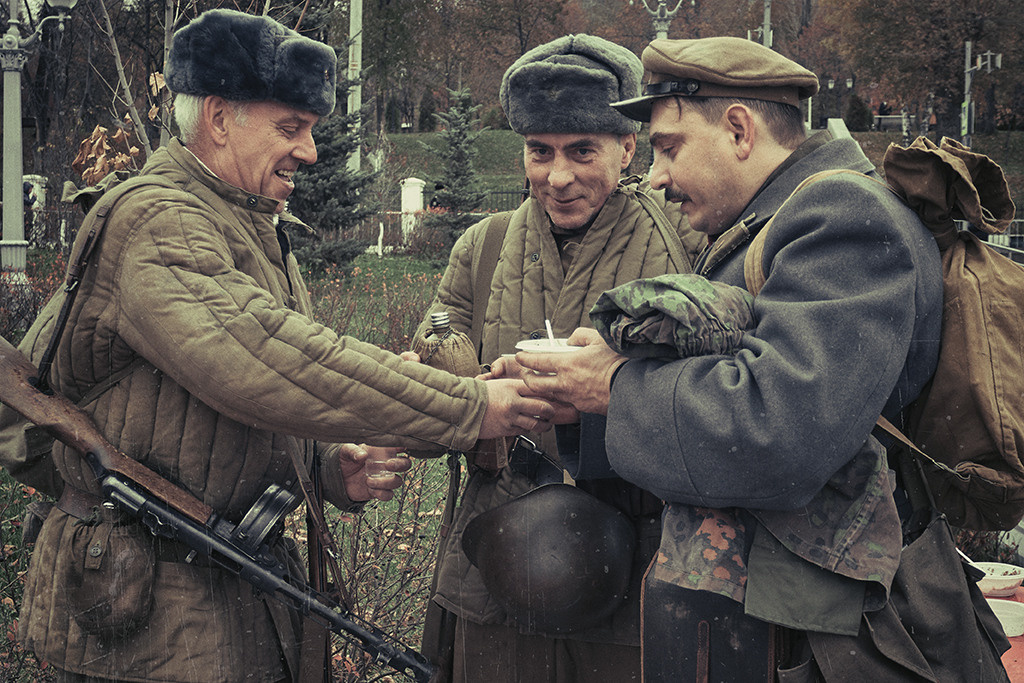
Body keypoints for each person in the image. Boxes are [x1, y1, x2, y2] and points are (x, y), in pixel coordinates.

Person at [8, 10, 555, 683]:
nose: (311, 151)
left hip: (210, 597)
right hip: (146, 624)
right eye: (289, 129)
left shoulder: (244, 224)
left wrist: (327, 467)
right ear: (216, 118)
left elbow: (239, 399)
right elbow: (272, 360)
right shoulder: (160, 222)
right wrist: (470, 406)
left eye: (312, 131)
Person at [516, 37, 1011, 681]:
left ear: (740, 130)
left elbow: (779, 431)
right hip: (785, 628)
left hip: (842, 642)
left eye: (668, 147)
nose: (657, 177)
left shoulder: (844, 217)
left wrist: (614, 386)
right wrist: (576, 403)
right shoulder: (768, 223)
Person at [409, 34, 704, 683]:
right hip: (500, 564)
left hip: (637, 571)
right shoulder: (482, 247)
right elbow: (428, 382)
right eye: (540, 151)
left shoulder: (693, 246)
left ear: (629, 147)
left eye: (581, 151)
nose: (557, 175)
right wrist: (461, 399)